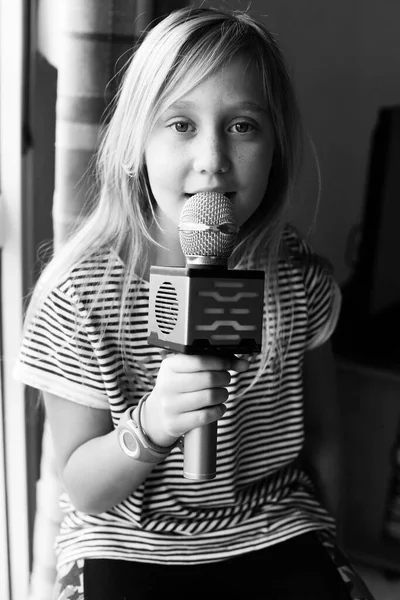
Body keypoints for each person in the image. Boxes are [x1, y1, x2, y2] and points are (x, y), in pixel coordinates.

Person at [14, 6, 375, 600]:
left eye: (243, 126)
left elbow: (325, 439)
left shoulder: (298, 280)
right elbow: (82, 487)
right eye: (181, 124)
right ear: (135, 144)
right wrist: (153, 424)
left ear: (275, 149)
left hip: (271, 525)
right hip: (126, 538)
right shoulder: (78, 294)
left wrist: (330, 553)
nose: (212, 157)